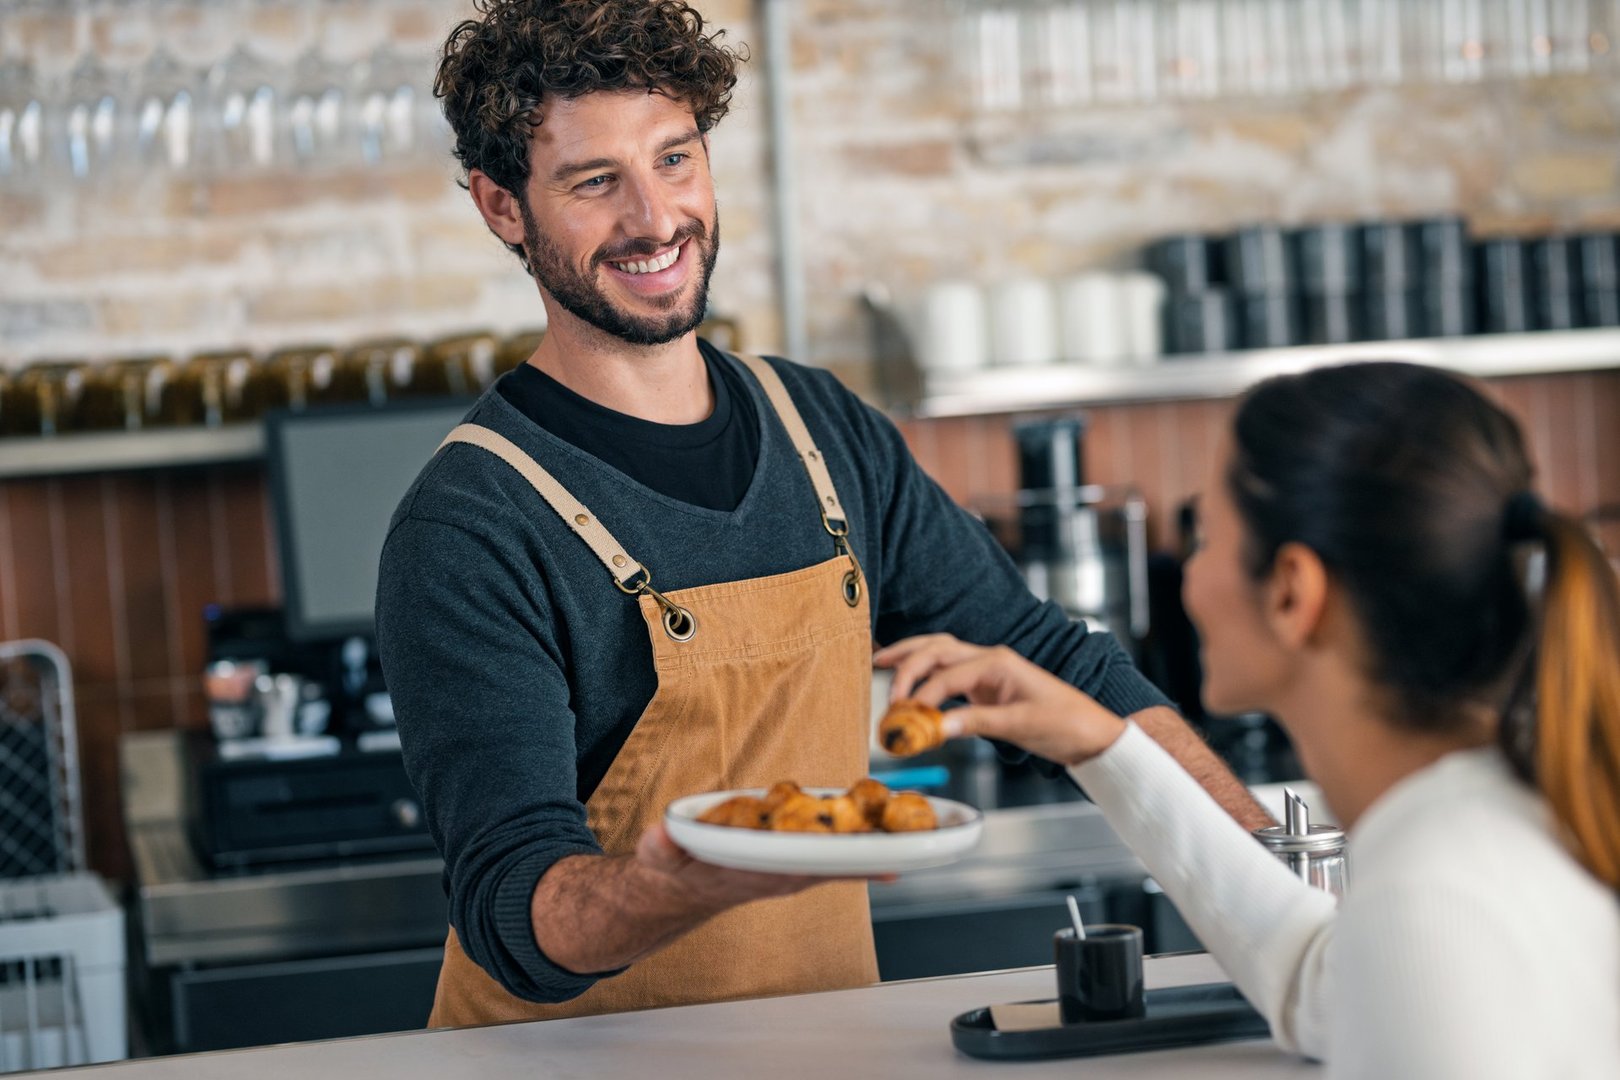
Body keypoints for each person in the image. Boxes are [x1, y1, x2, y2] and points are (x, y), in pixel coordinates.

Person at [375, 0, 1267, 1028]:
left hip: (823, 1040)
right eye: (593, 182)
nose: (655, 219)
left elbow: (1051, 660)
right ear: (501, 207)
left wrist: (1273, 872)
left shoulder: (824, 428)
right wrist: (694, 879)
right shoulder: (471, 522)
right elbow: (511, 910)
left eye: (675, 160)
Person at [881, 362, 1620, 1078]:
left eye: (1204, 539)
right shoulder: (1504, 823)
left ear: (1293, 593)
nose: (1190, 576)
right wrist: (1103, 746)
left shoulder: (1426, 901)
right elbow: (1315, 984)